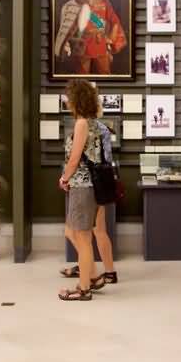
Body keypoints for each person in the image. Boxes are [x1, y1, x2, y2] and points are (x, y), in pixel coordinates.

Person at [58, 80, 116, 300]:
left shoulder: (82, 124)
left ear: (76, 100)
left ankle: (84, 288)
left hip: (82, 186)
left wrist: (64, 178)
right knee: (74, 232)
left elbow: (74, 159)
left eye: (69, 97)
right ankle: (92, 277)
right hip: (86, 185)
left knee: (82, 238)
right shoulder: (93, 123)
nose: (67, 101)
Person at [52, 0, 128, 75]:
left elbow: (115, 21)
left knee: (105, 74)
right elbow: (65, 29)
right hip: (82, 46)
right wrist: (66, 45)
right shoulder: (72, 5)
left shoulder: (104, 3)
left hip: (100, 44)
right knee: (82, 77)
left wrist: (111, 39)